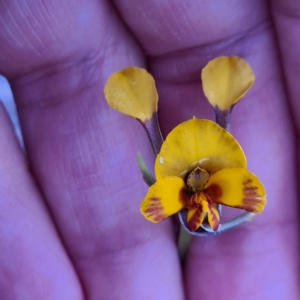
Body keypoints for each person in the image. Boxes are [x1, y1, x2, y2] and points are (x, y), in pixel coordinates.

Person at [0, 1, 298, 299]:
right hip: (178, 194)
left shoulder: (207, 194)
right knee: (143, 107)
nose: (200, 198)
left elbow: (251, 198)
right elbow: (162, 205)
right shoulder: (183, 196)